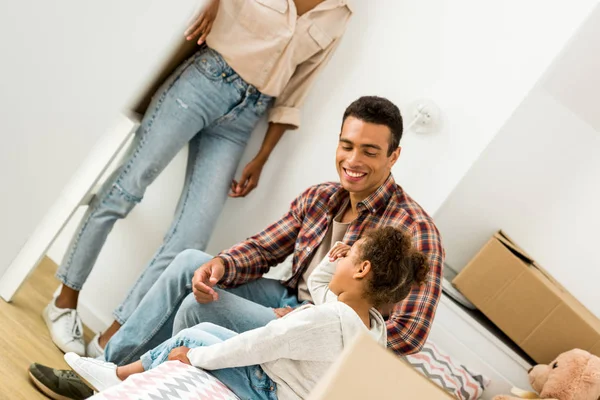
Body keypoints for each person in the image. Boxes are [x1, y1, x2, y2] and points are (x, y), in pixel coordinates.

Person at [29, 96, 445, 400]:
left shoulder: (415, 231)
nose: (353, 160)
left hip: (324, 326)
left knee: (198, 308)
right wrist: (223, 265)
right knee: (194, 264)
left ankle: (151, 384)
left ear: (394, 156)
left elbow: (404, 335)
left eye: (370, 151)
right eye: (346, 145)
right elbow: (264, 249)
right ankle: (106, 370)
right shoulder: (322, 196)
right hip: (293, 299)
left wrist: (310, 317)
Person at [44, 0, 354, 359]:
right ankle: (64, 302)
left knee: (192, 237)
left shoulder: (339, 15)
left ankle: (112, 340)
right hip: (204, 80)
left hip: (246, 119)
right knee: (125, 188)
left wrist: (263, 155)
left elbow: (298, 88)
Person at [64, 227, 430, 399]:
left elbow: (259, 345)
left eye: (349, 257)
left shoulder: (325, 320)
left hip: (269, 389)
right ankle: (118, 373)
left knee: (196, 336)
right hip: (287, 385)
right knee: (205, 330)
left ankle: (118, 376)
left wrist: (194, 358)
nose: (340, 260)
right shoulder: (370, 327)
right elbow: (324, 291)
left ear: (363, 269)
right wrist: (338, 255)